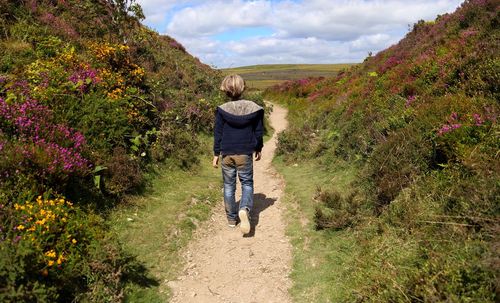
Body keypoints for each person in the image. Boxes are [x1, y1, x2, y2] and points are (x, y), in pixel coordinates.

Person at [213, 74, 264, 235]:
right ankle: (244, 208)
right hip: (244, 153)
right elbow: (258, 131)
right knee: (247, 183)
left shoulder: (222, 110)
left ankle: (231, 219)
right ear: (243, 88)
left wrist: (216, 154)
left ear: (225, 90)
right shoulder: (253, 108)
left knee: (229, 186)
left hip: (227, 153)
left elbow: (218, 133)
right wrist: (258, 148)